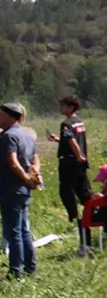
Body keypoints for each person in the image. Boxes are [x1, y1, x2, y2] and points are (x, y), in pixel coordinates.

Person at [0, 103, 41, 279]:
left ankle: (15, 270)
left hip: (11, 188)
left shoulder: (9, 137)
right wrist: (32, 175)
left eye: (0, 114)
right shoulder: (25, 135)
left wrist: (25, 177)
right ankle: (30, 266)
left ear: (10, 117)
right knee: (23, 230)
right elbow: (35, 159)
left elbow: (12, 162)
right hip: (22, 190)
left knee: (12, 231)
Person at [48, 94, 93, 252]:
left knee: (66, 191)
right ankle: (87, 235)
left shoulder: (66, 123)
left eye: (63, 105)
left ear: (70, 107)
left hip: (69, 163)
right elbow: (71, 139)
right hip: (80, 163)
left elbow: (72, 141)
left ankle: (73, 215)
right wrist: (58, 140)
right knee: (85, 195)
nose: (60, 108)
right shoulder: (79, 122)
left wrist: (78, 154)